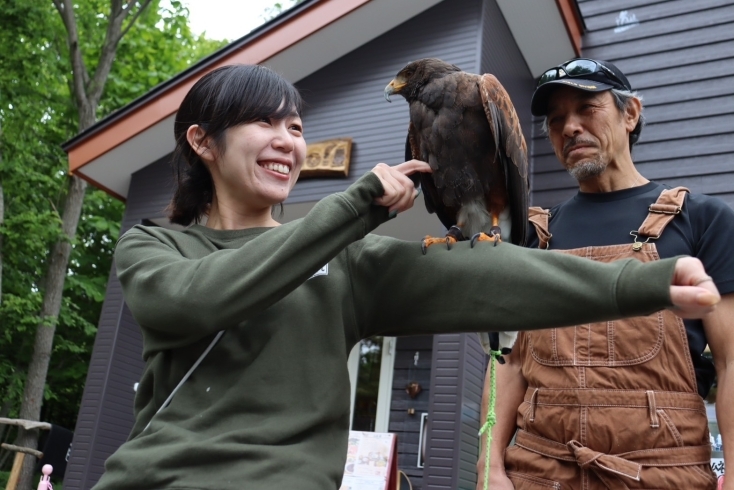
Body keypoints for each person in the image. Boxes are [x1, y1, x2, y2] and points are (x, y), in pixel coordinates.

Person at [93, 64, 719, 490]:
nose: (288, 140)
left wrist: (644, 282)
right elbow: (191, 302)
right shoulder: (155, 245)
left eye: (297, 127)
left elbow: (494, 277)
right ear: (203, 141)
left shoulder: (349, 265)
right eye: (266, 122)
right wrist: (353, 208)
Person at [477, 58, 734, 490]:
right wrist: (490, 468)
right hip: (540, 474)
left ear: (631, 113)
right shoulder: (533, 234)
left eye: (586, 109)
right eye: (556, 120)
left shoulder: (702, 219)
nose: (570, 127)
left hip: (661, 475)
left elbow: (730, 362)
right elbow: (510, 360)